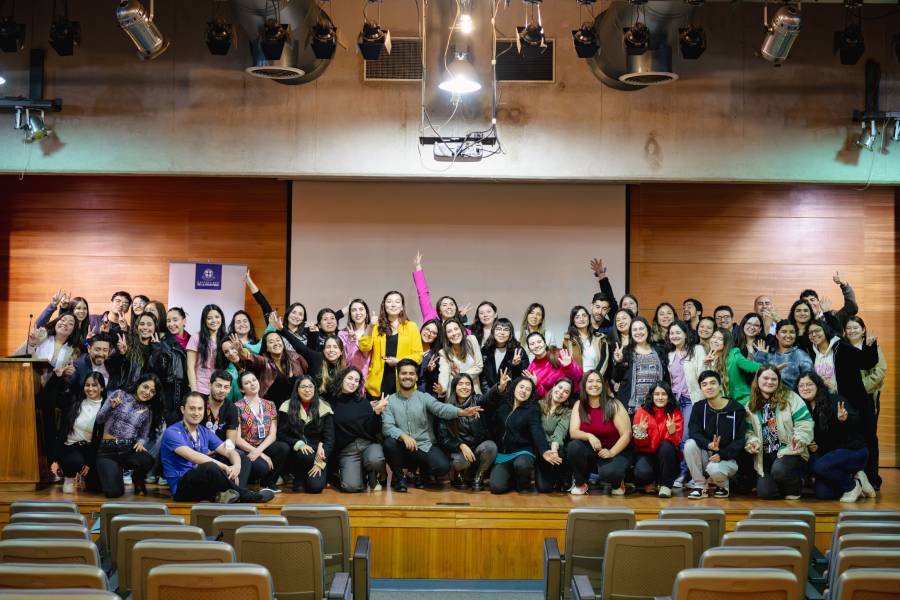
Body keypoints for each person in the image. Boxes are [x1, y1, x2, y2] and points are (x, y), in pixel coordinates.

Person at [381, 359, 481, 492]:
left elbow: (441, 408)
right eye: (404, 373)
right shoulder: (390, 401)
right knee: (389, 443)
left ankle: (421, 473)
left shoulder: (424, 397)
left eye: (411, 373)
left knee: (443, 466)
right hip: (401, 447)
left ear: (416, 377)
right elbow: (387, 426)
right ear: (398, 376)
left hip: (423, 446)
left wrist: (460, 412)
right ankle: (400, 479)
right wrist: (403, 436)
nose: (407, 376)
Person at [806, 319, 881, 489]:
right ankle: (850, 476)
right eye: (810, 333)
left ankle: (872, 479)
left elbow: (867, 362)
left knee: (867, 439)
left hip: (855, 402)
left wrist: (870, 345)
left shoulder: (841, 347)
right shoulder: (811, 353)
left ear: (825, 331)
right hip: (829, 406)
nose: (814, 335)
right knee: (839, 441)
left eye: (817, 330)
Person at [160, 393, 274, 504]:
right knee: (209, 466)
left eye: (200, 409)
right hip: (182, 488)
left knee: (243, 458)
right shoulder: (172, 432)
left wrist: (236, 465)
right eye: (192, 408)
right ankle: (245, 496)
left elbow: (229, 449)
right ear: (183, 410)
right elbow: (194, 457)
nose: (196, 413)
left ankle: (233, 494)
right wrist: (225, 467)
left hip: (204, 484)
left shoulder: (204, 431)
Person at [796, 372, 873, 502]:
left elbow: (859, 423)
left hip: (853, 450)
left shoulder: (834, 399)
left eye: (809, 384)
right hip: (829, 454)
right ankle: (856, 476)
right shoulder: (803, 408)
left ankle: (853, 486)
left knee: (820, 466)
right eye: (801, 386)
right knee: (823, 493)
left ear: (818, 385)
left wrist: (845, 419)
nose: (805, 388)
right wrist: (814, 446)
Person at [744, 365, 814, 500]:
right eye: (765, 378)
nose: (769, 382)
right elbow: (749, 432)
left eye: (774, 379)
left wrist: (800, 438)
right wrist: (752, 442)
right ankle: (782, 485)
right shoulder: (750, 405)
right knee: (766, 493)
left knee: (780, 470)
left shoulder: (791, 398)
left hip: (790, 451)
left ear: (778, 381)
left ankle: (796, 486)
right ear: (757, 379)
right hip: (765, 455)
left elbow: (805, 422)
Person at [485, 370, 553, 495]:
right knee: (497, 488)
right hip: (503, 454)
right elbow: (487, 403)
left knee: (522, 465)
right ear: (515, 387)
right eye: (521, 387)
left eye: (528, 389)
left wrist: (544, 450)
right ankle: (512, 478)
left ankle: (523, 484)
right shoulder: (503, 402)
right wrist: (499, 387)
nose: (523, 391)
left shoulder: (532, 409)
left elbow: (537, 430)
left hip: (522, 452)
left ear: (531, 393)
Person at [94, 373, 162, 498]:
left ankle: (136, 478)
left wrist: (141, 442)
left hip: (127, 450)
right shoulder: (119, 394)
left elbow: (143, 434)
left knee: (147, 460)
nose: (147, 392)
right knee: (114, 493)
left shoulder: (148, 411)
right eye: (145, 387)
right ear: (138, 384)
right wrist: (111, 407)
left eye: (152, 391)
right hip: (107, 451)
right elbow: (99, 419)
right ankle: (115, 471)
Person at [567, 371, 632, 496]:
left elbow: (626, 434)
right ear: (584, 385)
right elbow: (573, 432)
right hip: (593, 450)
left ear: (603, 385)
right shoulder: (579, 404)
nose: (594, 384)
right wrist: (589, 436)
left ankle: (618, 483)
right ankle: (581, 483)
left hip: (616, 450)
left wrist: (611, 452)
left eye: (598, 381)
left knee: (609, 473)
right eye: (590, 381)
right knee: (573, 446)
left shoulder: (613, 404)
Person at [684, 370, 745, 499]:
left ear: (720, 385)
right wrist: (709, 444)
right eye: (704, 384)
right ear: (701, 388)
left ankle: (722, 485)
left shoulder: (736, 409)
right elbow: (694, 432)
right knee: (689, 444)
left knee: (714, 469)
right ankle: (700, 486)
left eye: (712, 383)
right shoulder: (698, 407)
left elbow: (740, 440)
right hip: (707, 454)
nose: (709, 387)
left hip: (728, 459)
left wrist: (722, 454)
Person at [326, 367, 388, 492]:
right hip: (347, 451)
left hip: (367, 445)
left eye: (356, 380)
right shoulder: (330, 402)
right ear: (342, 379)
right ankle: (365, 474)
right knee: (351, 487)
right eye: (350, 378)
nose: (352, 382)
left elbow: (372, 430)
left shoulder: (363, 402)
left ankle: (371, 470)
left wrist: (376, 413)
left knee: (375, 460)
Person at [358, 291, 424, 398]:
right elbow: (364, 347)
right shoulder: (376, 326)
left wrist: (399, 361)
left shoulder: (411, 326)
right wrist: (370, 326)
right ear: (384, 306)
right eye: (389, 302)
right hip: (378, 383)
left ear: (402, 307)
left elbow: (418, 356)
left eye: (397, 302)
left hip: (402, 381)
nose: (393, 305)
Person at [437, 374, 497, 490]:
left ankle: (479, 475)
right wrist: (461, 445)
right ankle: (458, 473)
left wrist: (499, 387)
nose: (464, 387)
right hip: (458, 450)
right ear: (454, 387)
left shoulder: (478, 400)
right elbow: (443, 438)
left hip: (477, 448)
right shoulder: (447, 408)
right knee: (460, 461)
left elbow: (489, 397)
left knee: (491, 446)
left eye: (468, 384)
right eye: (460, 384)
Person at [234, 371, 290, 491]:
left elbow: (272, 434)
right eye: (247, 383)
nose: (252, 384)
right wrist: (259, 454)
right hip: (246, 449)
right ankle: (249, 481)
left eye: (254, 380)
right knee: (263, 468)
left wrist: (260, 451)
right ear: (242, 389)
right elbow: (237, 439)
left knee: (283, 448)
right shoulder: (237, 407)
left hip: (262, 446)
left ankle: (269, 484)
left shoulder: (270, 404)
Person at [278, 376, 335, 493]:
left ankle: (311, 477)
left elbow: (329, 439)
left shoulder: (324, 407)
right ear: (297, 389)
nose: (307, 390)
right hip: (296, 455)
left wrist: (319, 463)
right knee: (304, 455)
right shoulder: (286, 406)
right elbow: (281, 434)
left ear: (314, 389)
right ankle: (298, 477)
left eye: (310, 387)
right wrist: (298, 444)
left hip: (318, 455)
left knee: (315, 488)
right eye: (303, 387)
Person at [55, 372, 106, 494]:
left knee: (96, 489)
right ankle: (69, 476)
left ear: (102, 388)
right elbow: (54, 396)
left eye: (94, 385)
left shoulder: (106, 406)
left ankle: (83, 473)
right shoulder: (75, 401)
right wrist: (57, 378)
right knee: (75, 462)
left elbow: (99, 439)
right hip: (71, 446)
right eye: (87, 385)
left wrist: (89, 462)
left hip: (91, 449)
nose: (90, 389)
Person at [631, 381, 683, 498]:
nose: (660, 397)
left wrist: (672, 432)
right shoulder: (641, 412)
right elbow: (638, 445)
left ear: (669, 396)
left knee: (666, 446)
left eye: (664, 394)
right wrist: (641, 433)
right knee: (642, 473)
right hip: (646, 453)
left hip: (666, 457)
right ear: (651, 396)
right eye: (657, 394)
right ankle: (649, 482)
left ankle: (665, 485)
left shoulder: (675, 412)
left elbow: (675, 443)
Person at [201, 370, 252, 487]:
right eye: (218, 386)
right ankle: (236, 491)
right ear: (210, 385)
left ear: (229, 389)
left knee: (244, 459)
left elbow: (230, 443)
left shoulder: (232, 408)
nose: (222, 390)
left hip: (220, 451)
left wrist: (221, 452)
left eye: (226, 387)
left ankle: (237, 491)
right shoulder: (199, 403)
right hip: (198, 450)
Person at [611, 316, 669, 415]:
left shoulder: (659, 351)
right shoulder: (625, 352)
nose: (638, 332)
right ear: (631, 333)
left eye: (641, 328)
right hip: (632, 407)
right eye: (635, 330)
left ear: (648, 330)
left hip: (655, 404)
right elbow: (616, 377)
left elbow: (666, 379)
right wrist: (619, 362)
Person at [844, 316, 887, 424]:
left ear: (863, 330)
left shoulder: (872, 346)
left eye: (855, 327)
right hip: (847, 396)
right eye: (848, 328)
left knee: (868, 432)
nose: (852, 331)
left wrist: (860, 387)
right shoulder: (842, 348)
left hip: (868, 394)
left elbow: (880, 370)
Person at [704, 327, 759, 406]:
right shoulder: (709, 358)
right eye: (713, 337)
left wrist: (772, 369)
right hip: (724, 404)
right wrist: (706, 364)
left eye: (720, 339)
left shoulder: (734, 354)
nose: (715, 340)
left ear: (726, 342)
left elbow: (752, 367)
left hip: (742, 401)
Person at [535, 379, 573, 493]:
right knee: (544, 488)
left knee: (561, 451)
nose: (561, 392)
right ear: (554, 386)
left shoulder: (567, 411)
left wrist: (554, 449)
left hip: (553, 447)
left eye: (566, 392)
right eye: (560, 387)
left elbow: (560, 431)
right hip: (539, 448)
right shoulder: (538, 405)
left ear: (568, 396)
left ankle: (563, 477)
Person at [752, 320, 813, 391]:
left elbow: (809, 381)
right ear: (777, 335)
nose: (788, 335)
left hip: (793, 399)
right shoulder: (768, 354)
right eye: (784, 332)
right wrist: (761, 356)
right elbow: (757, 378)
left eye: (792, 332)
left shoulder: (802, 356)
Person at [413, 252, 469, 325]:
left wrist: (461, 318)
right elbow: (423, 293)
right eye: (444, 305)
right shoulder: (431, 317)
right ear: (439, 310)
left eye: (452, 304)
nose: (449, 307)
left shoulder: (461, 329)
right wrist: (418, 267)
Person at [186, 304, 228, 395]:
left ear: (222, 319)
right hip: (200, 388)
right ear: (204, 321)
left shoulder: (226, 338)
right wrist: (194, 391)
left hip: (219, 389)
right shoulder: (196, 337)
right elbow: (190, 367)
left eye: (217, 317)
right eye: (209, 318)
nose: (214, 321)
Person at [480, 318, 529, 395]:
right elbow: (483, 377)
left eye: (506, 330)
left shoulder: (518, 350)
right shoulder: (485, 350)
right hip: (490, 395)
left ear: (510, 333)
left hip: (511, 395)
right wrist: (489, 395)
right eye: (498, 329)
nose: (502, 333)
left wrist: (515, 365)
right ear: (493, 331)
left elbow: (524, 377)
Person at [562, 305, 610, 375]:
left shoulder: (600, 338)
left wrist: (593, 378)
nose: (581, 319)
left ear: (588, 317)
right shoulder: (567, 341)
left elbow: (604, 361)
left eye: (584, 315)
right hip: (576, 381)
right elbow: (566, 365)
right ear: (573, 321)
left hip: (595, 381)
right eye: (577, 317)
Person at [437, 320, 483, 392]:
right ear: (446, 336)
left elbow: (479, 366)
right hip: (454, 392)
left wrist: (459, 376)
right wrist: (442, 388)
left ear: (461, 330)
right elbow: (444, 373)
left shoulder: (472, 340)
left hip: (473, 390)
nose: (454, 333)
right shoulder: (443, 352)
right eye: (449, 331)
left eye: (456, 329)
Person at [338, 298, 373, 382]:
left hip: (371, 379)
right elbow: (345, 360)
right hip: (351, 379)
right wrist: (351, 342)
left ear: (366, 312)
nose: (358, 313)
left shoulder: (375, 331)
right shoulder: (343, 334)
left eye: (361, 309)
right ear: (350, 314)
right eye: (354, 310)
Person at [589, 257, 620, 338]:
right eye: (597, 307)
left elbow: (611, 300)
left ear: (608, 310)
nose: (600, 311)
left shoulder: (611, 329)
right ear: (591, 305)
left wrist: (602, 275)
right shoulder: (581, 323)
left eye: (604, 308)